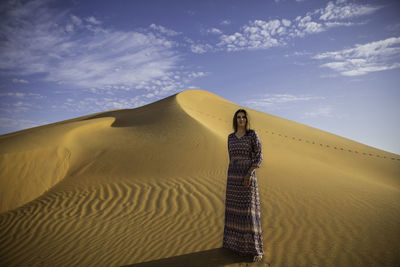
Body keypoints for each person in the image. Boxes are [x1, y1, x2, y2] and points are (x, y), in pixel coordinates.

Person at [222, 109, 264, 262]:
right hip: (233, 177)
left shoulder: (252, 135)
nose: (241, 120)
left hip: (248, 176)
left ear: (246, 120)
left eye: (243, 117)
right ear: (235, 120)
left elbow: (259, 155)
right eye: (238, 117)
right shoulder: (230, 137)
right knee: (235, 211)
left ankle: (255, 249)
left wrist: (249, 173)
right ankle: (235, 246)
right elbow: (231, 157)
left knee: (249, 212)